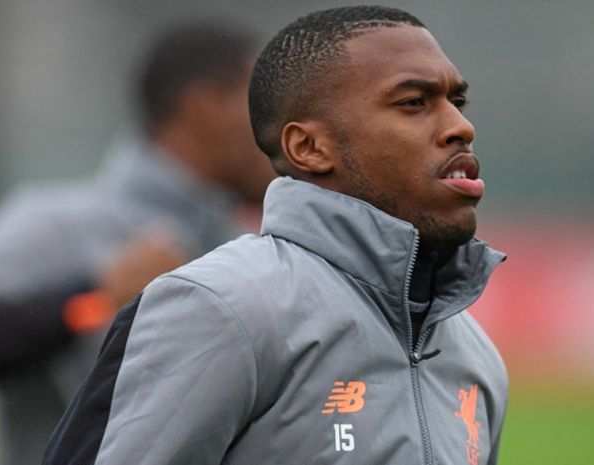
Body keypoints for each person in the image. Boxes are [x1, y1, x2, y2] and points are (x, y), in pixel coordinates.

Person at [43, 6, 508, 465]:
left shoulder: (477, 359)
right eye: (413, 103)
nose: (460, 127)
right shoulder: (220, 309)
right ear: (308, 148)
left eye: (457, 102)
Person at [0, 19, 274, 465]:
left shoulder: (246, 243)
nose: (281, 124)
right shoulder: (55, 224)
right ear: (204, 107)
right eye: (262, 101)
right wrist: (95, 298)